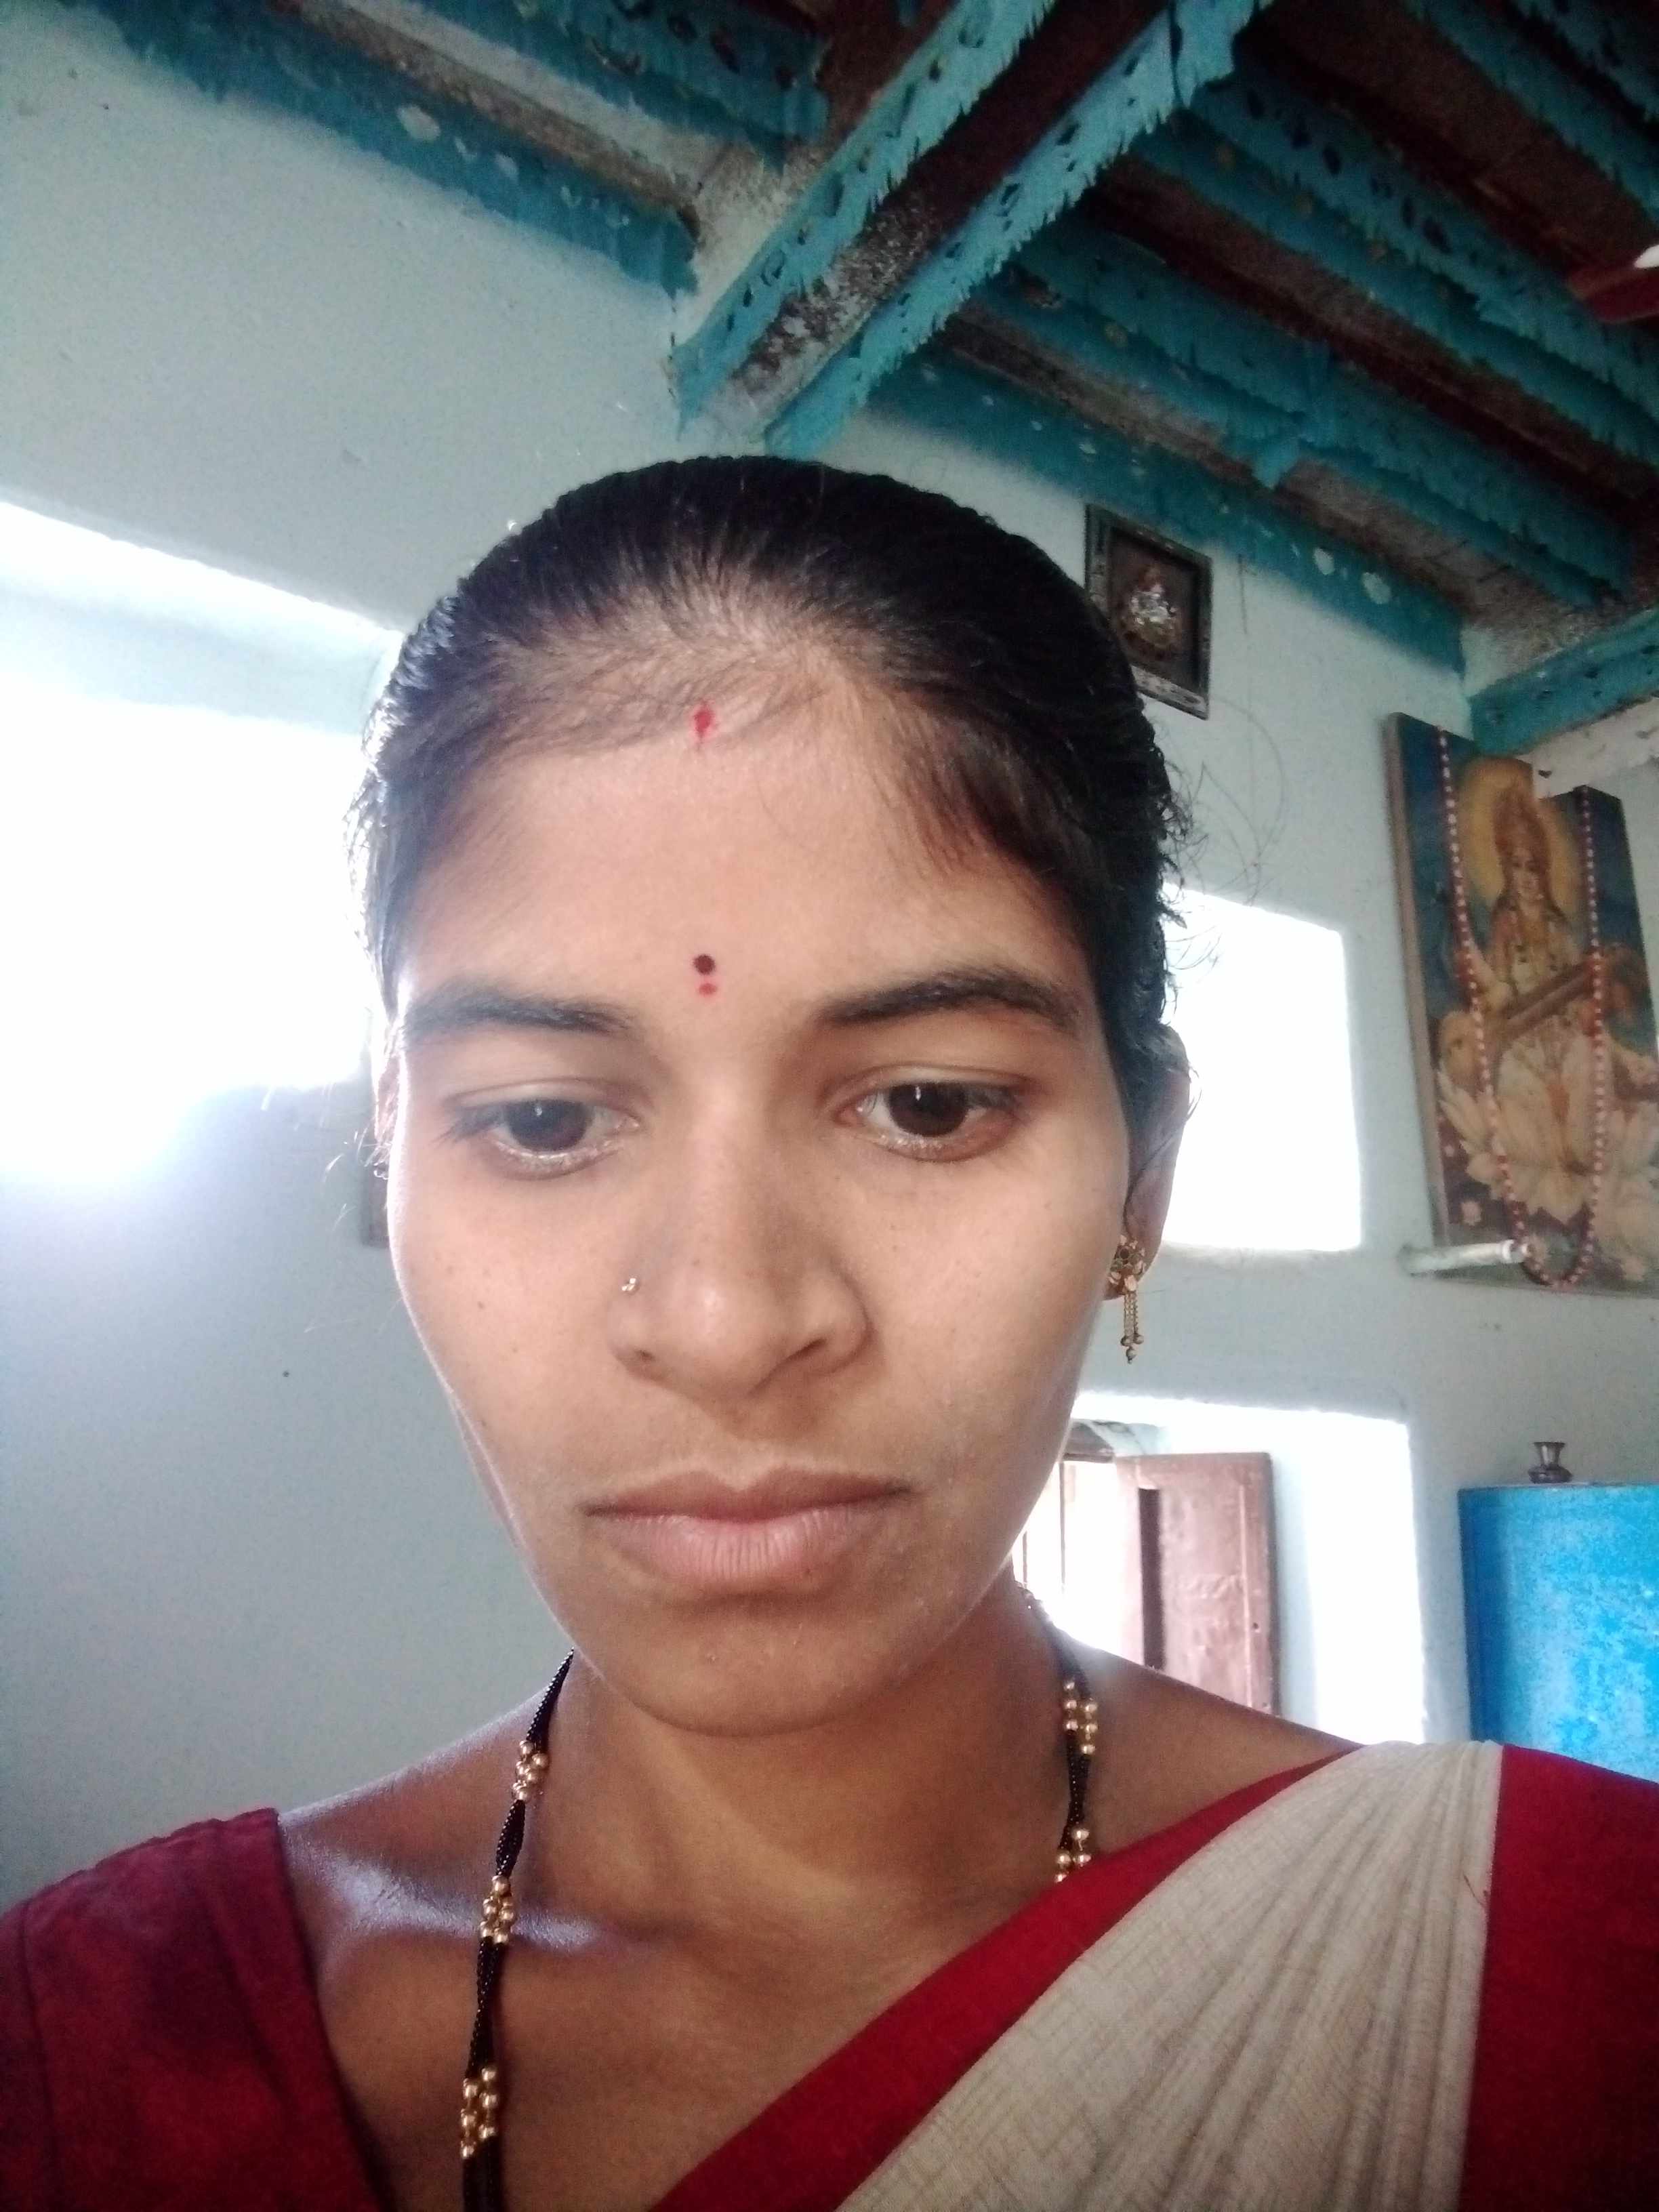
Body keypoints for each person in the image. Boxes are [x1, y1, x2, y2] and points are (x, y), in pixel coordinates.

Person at [3, 458, 1655, 2211]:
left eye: (929, 1104)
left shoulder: (1571, 1986)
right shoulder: (90, 2064)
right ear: (392, 1147)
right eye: (545, 1120)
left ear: (1144, 1176)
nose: (726, 1324)